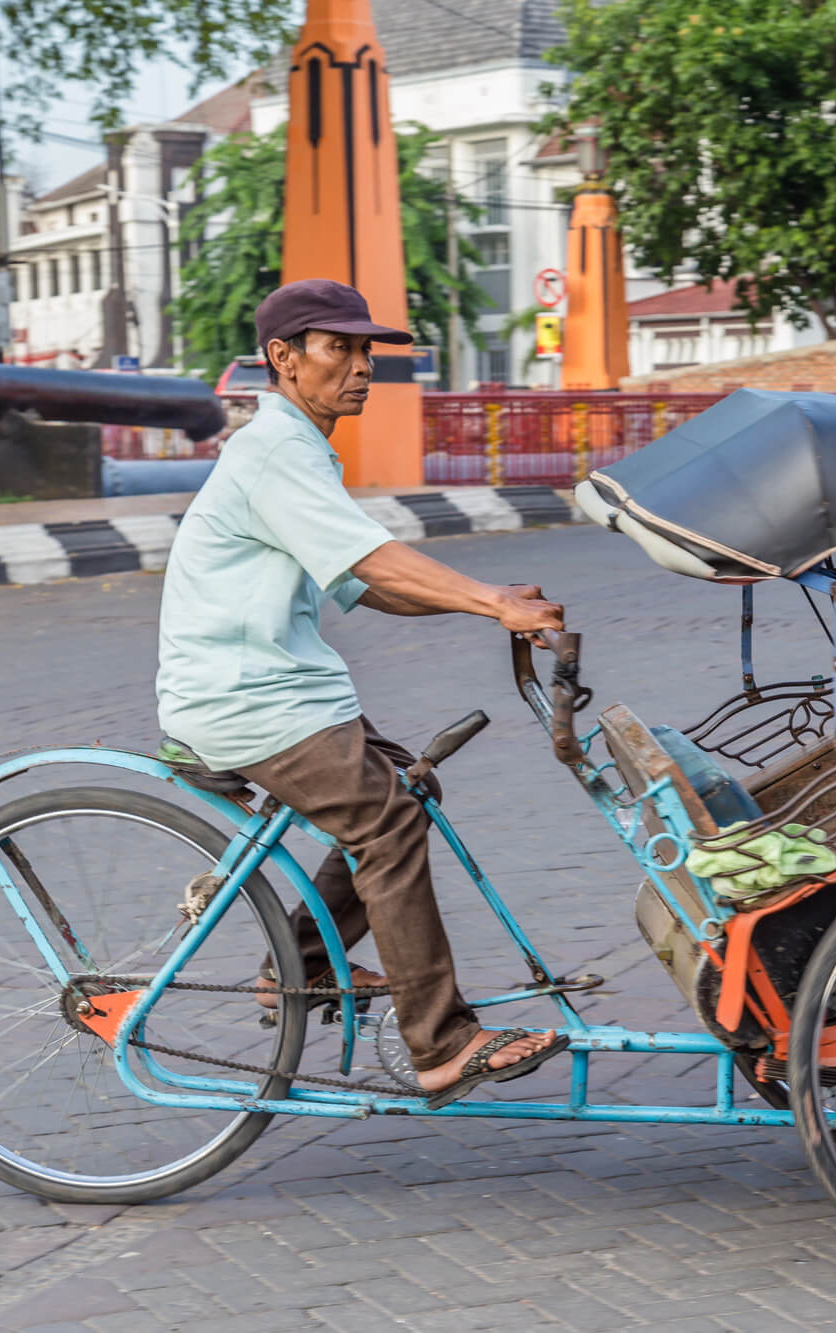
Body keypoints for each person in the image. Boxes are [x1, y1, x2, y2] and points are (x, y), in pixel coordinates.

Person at [156, 278, 570, 1104]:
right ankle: (443, 1044)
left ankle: (303, 967)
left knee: (408, 788)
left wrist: (481, 605)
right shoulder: (275, 449)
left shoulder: (299, 446)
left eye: (365, 349)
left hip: (285, 689)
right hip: (245, 697)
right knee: (384, 822)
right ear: (283, 358)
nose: (360, 366)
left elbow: (368, 586)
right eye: (337, 347)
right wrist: (489, 600)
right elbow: (375, 561)